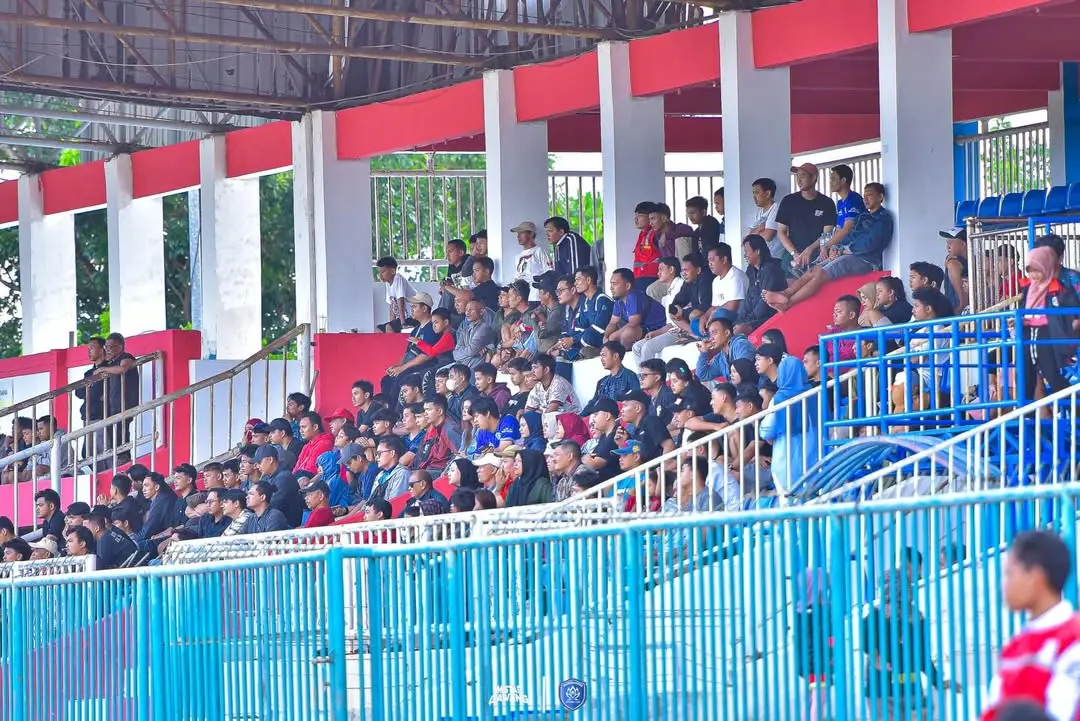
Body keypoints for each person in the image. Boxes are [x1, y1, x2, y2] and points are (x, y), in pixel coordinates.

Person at [981, 531, 1080, 721]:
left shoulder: (1073, 640)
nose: (1004, 585)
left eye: (1009, 574)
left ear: (1035, 577)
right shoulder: (1014, 648)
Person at [1018, 246, 1080, 401]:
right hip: (1027, 334)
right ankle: (1027, 417)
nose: (1033, 274)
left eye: (1037, 269)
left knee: (1050, 373)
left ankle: (1075, 408)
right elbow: (1023, 310)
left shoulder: (1058, 289)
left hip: (1047, 334)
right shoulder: (1028, 288)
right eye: (1030, 269)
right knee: (1025, 375)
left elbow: (1070, 312)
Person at [605, 267, 667, 349]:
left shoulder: (634, 296)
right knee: (615, 330)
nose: (611, 287)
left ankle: (623, 352)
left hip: (658, 328)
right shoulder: (619, 300)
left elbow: (634, 323)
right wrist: (606, 336)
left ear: (627, 286)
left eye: (615, 284)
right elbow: (612, 322)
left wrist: (612, 337)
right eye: (611, 283)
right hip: (643, 328)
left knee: (628, 333)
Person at [581, 342, 640, 416]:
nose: (601, 359)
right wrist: (580, 417)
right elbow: (593, 403)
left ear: (615, 356)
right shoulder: (602, 382)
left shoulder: (630, 376)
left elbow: (637, 401)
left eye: (604, 355)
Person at [510, 221, 553, 302]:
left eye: (521, 233)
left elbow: (549, 272)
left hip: (535, 296)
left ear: (531, 234)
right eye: (517, 234)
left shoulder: (539, 251)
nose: (518, 236)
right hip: (521, 298)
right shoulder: (518, 256)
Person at [375, 256, 416, 332]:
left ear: (393, 271)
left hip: (412, 318)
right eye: (379, 272)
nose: (380, 275)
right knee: (378, 329)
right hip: (401, 319)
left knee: (389, 327)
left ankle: (393, 343)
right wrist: (392, 322)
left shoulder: (398, 278)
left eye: (383, 272)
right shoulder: (388, 283)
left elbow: (401, 302)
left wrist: (403, 323)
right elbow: (392, 306)